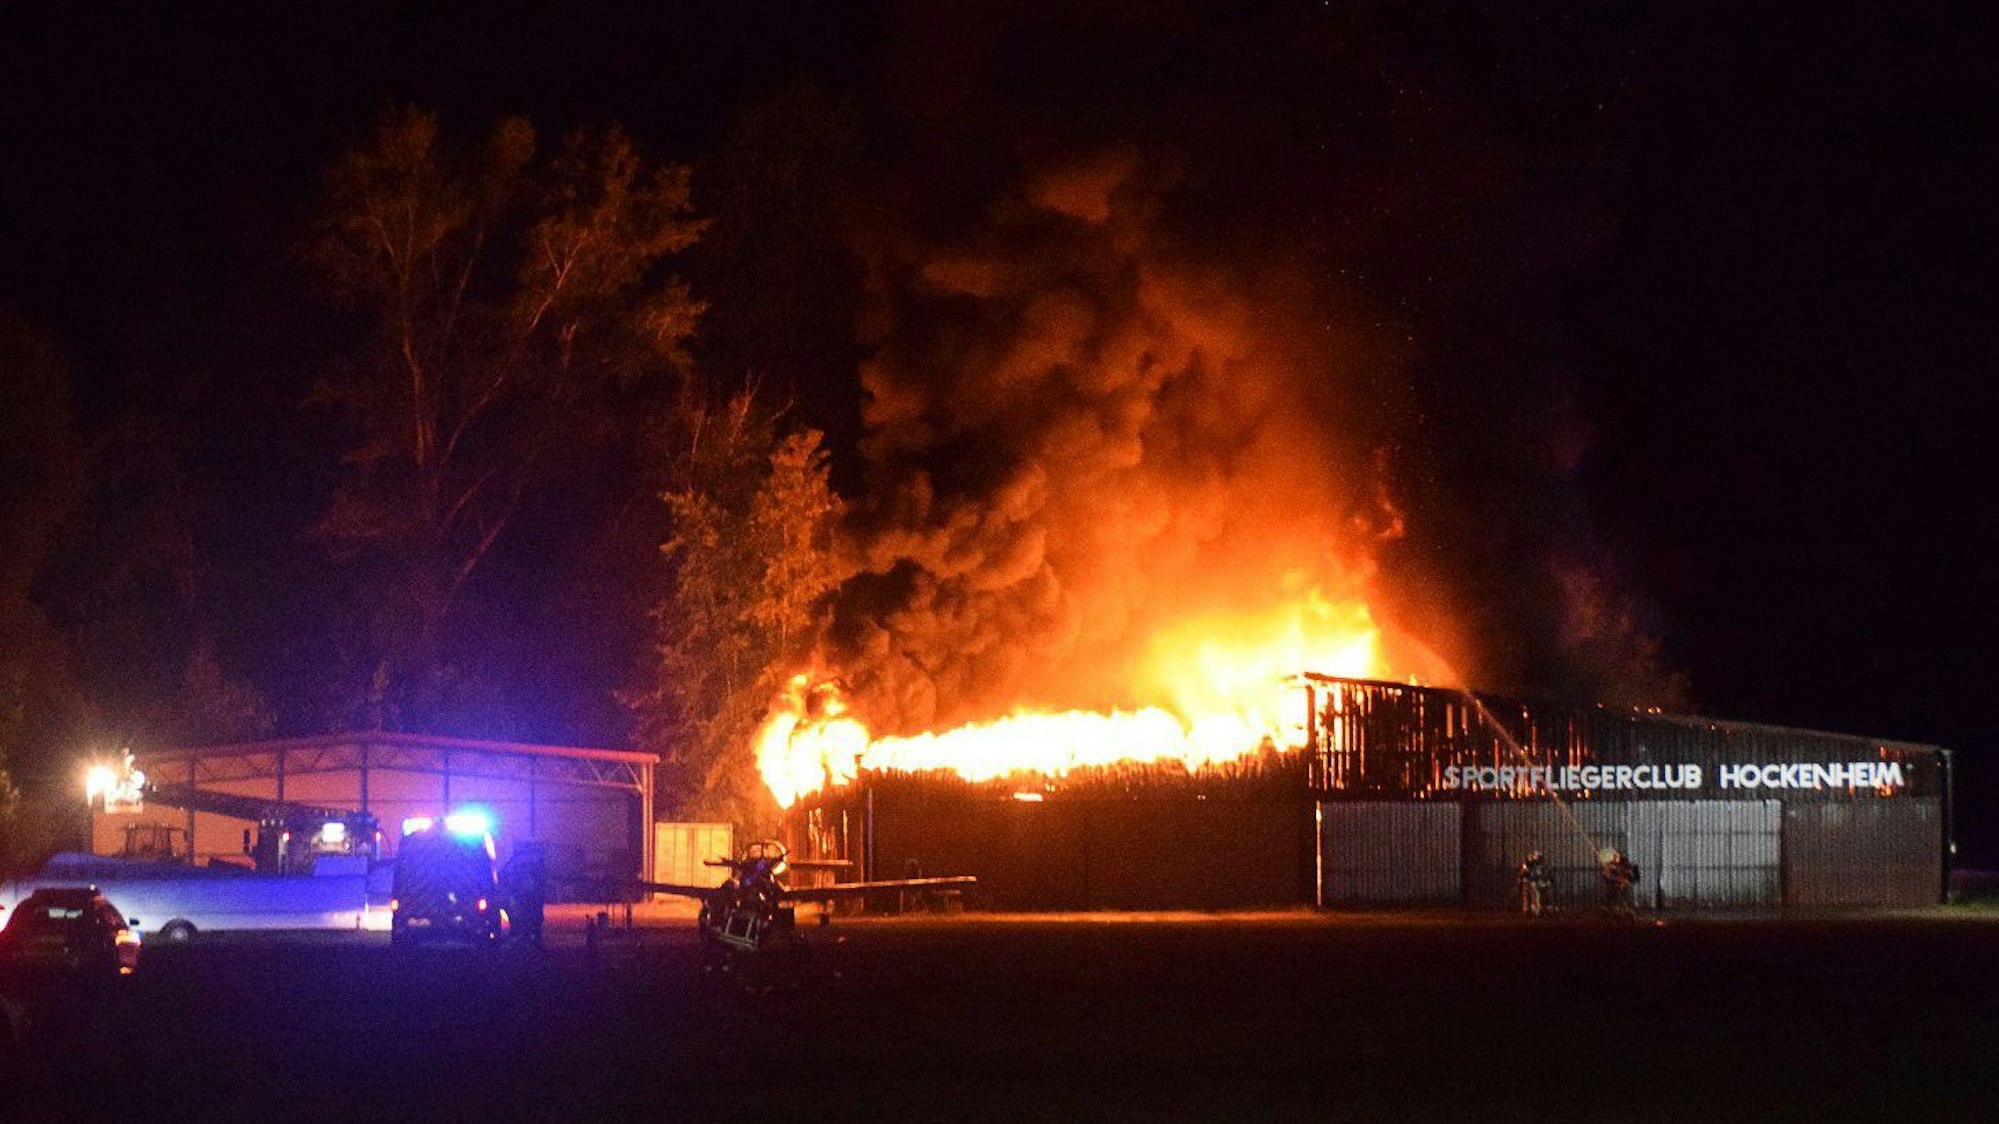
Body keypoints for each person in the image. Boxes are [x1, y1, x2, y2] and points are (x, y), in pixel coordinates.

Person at [1600, 849, 1639, 919]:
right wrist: (1607, 872)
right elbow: (1607, 876)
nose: (1614, 856)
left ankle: (1624, 911)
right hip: (1616, 884)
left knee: (1621, 897)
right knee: (1612, 894)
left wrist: (1627, 880)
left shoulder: (1625, 863)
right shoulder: (1611, 864)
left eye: (1616, 855)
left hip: (1623, 884)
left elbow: (1633, 873)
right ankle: (1611, 910)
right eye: (1614, 855)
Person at [1516, 850, 1552, 916]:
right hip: (1531, 881)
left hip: (1533, 881)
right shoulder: (1532, 865)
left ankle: (1534, 909)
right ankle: (1533, 909)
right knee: (1533, 896)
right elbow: (1523, 873)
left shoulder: (1533, 864)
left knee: (1534, 896)